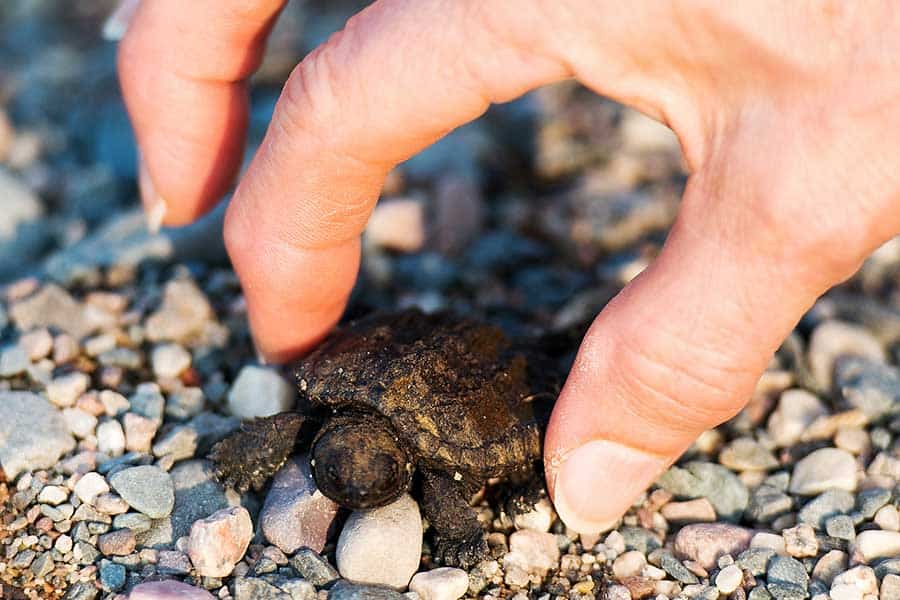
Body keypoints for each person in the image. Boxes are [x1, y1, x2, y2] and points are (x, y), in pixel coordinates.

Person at [114, 0, 900, 534]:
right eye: (353, 471)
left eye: (351, 469)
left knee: (463, 488)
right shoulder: (327, 408)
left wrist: (461, 538)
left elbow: (443, 490)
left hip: (482, 370)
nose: (353, 480)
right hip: (421, 354)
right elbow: (289, 428)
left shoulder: (415, 457)